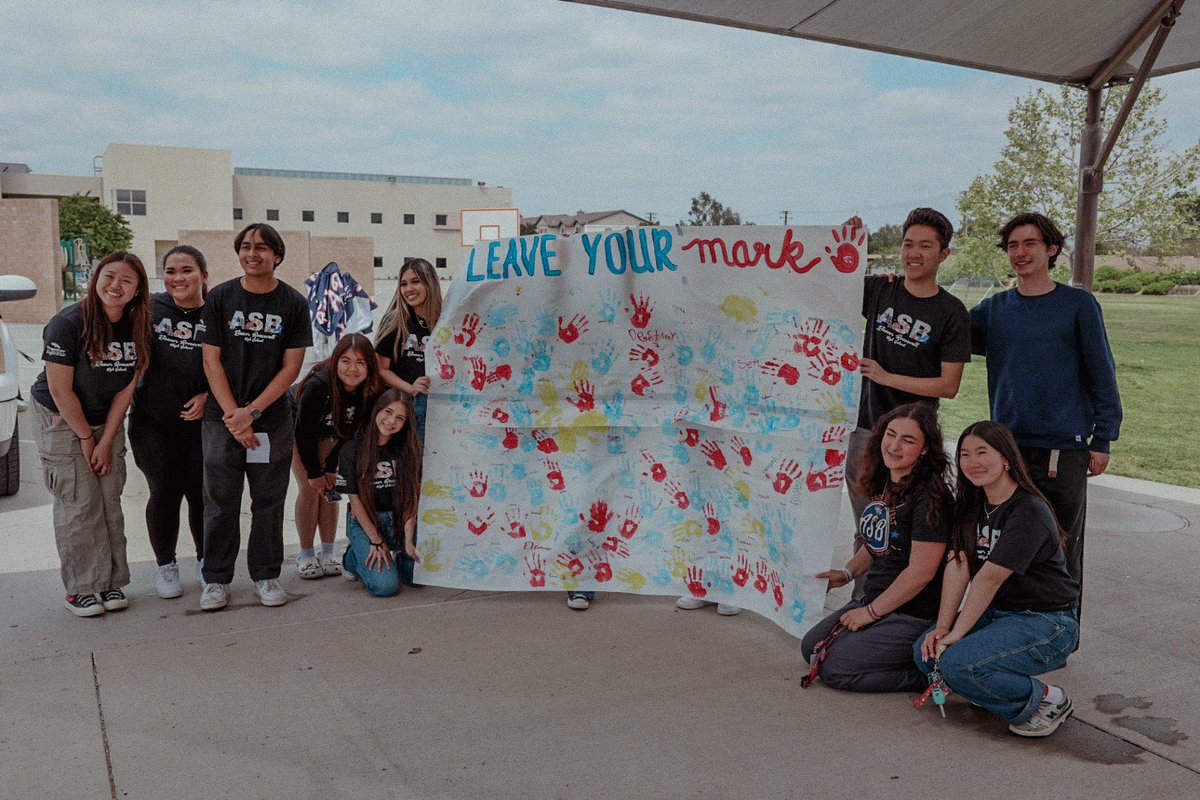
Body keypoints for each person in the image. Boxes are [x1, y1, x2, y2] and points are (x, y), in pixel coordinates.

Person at [969, 212, 1122, 603]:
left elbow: (1101, 372)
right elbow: (945, 331)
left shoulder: (1078, 305)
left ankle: (1059, 632)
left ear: (1051, 249)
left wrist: (1102, 437)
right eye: (1013, 245)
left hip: (1062, 450)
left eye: (1030, 243)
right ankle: (1011, 628)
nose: (1020, 253)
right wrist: (899, 289)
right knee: (1004, 546)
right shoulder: (995, 309)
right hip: (1007, 449)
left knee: (1060, 548)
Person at [915, 421, 1080, 738]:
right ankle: (983, 680)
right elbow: (959, 563)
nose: (972, 462)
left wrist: (958, 633)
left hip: (1047, 620)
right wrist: (943, 628)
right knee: (924, 654)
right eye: (965, 454)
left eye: (982, 452)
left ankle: (1050, 699)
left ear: (1006, 458)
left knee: (956, 664)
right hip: (1000, 616)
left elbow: (988, 579)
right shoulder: (973, 504)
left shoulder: (1028, 510)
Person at [846, 208, 970, 596]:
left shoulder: (951, 312)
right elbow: (828, 281)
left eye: (926, 246)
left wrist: (886, 377)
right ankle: (861, 600)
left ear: (944, 255)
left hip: (913, 439)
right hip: (867, 429)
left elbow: (948, 385)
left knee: (904, 525)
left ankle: (897, 606)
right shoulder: (881, 289)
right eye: (908, 244)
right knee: (868, 524)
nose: (914, 253)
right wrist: (846, 243)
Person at [30, 251, 152, 617]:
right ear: (96, 279)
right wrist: (86, 437)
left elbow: (125, 390)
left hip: (106, 419)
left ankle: (111, 581)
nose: (116, 285)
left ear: (137, 290)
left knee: (108, 499)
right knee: (80, 503)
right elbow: (59, 390)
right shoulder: (67, 323)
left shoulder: (138, 325)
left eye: (126, 280)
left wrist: (106, 438)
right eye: (109, 276)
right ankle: (81, 588)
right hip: (62, 417)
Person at [197, 222, 312, 611]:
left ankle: (266, 575)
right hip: (222, 419)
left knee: (268, 501)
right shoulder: (219, 298)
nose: (252, 253)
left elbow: (290, 368)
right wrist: (234, 415)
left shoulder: (294, 303)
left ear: (277, 255)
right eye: (246, 246)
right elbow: (211, 361)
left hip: (271, 419)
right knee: (220, 500)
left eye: (262, 247)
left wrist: (253, 413)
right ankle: (215, 579)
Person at [800, 402, 952, 691]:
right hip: (875, 598)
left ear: (924, 449)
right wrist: (845, 574)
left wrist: (870, 614)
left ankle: (929, 676)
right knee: (811, 648)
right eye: (890, 434)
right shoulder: (885, 482)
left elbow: (921, 573)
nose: (894, 446)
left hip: (913, 613)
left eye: (908, 440)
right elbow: (876, 541)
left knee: (835, 669)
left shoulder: (931, 500)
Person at [129, 245, 209, 599]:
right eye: (171, 271)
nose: (178, 278)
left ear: (204, 276)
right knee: (163, 491)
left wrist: (210, 397)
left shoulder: (217, 312)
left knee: (201, 495)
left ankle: (207, 563)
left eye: (187, 270)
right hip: (152, 421)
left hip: (199, 423)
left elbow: (232, 365)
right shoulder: (149, 307)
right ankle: (166, 566)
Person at [291, 332, 381, 579]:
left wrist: (330, 467)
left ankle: (328, 550)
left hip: (335, 433)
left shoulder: (369, 390)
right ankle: (306, 553)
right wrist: (314, 472)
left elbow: (351, 432)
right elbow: (303, 433)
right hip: (300, 432)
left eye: (361, 362)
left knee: (330, 489)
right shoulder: (319, 385)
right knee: (310, 488)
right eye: (346, 361)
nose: (353, 368)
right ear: (335, 361)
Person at [338, 388, 421, 596]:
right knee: (386, 587)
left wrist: (409, 542)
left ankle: (400, 555)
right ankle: (353, 557)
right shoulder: (352, 449)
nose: (391, 421)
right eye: (388, 412)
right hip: (367, 522)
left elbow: (412, 498)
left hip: (399, 522)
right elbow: (355, 501)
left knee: (417, 579)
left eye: (400, 417)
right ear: (378, 410)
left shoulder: (408, 449)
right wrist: (375, 540)